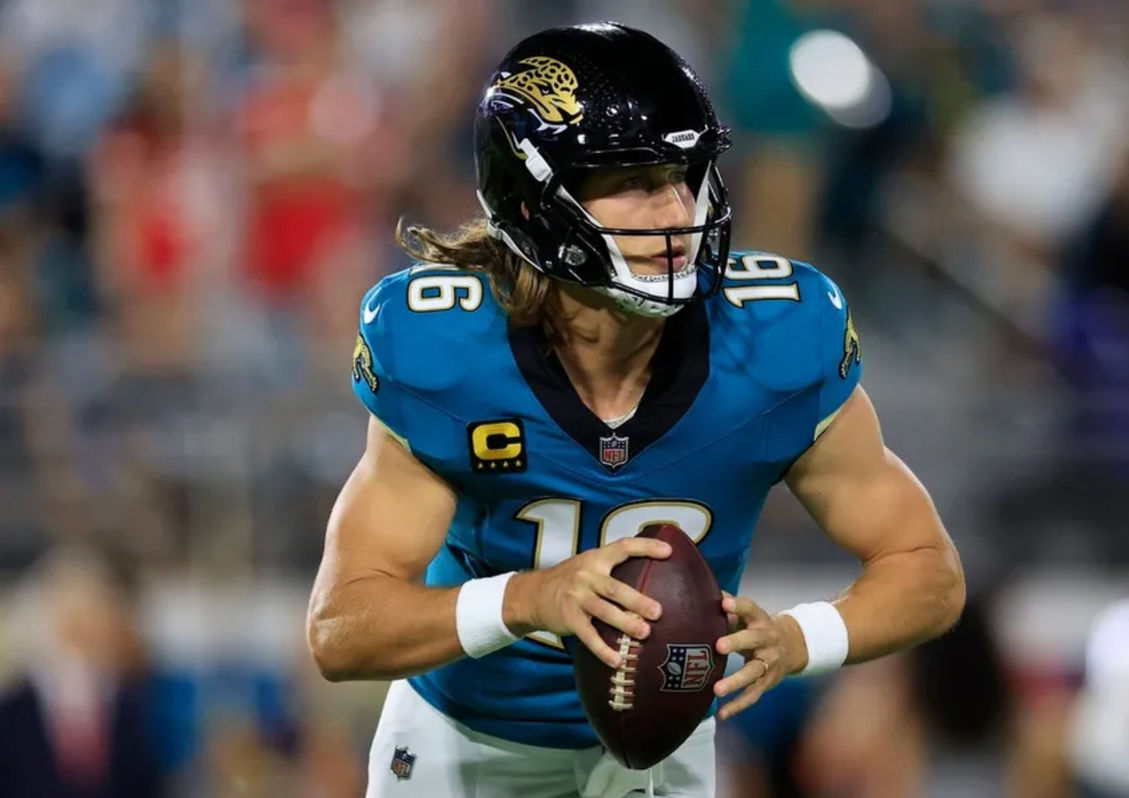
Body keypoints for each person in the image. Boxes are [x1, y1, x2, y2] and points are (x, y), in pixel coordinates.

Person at [306, 22, 965, 798]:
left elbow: (930, 572)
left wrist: (797, 639)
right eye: (634, 180)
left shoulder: (776, 341)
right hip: (464, 745)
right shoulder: (447, 352)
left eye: (685, 175)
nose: (676, 210)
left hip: (664, 752)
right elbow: (340, 630)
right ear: (533, 200)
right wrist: (528, 599)